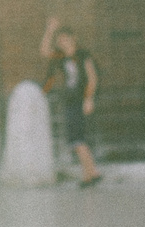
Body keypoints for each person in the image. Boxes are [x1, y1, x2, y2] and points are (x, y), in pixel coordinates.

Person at [42, 18, 101, 188]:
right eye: (60, 41)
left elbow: (92, 78)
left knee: (77, 138)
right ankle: (91, 173)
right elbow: (44, 51)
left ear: (73, 38)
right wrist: (50, 30)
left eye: (65, 39)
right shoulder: (60, 57)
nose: (62, 43)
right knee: (76, 139)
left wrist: (89, 99)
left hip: (81, 101)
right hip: (70, 101)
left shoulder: (83, 55)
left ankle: (91, 174)